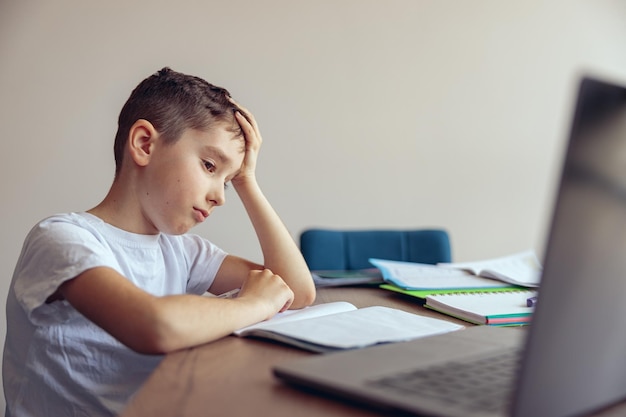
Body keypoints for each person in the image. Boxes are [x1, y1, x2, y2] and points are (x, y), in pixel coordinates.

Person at [2, 67, 316, 417]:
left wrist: (248, 181)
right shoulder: (62, 239)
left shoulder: (182, 251)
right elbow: (155, 327)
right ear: (144, 144)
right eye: (210, 166)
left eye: (228, 182)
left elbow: (296, 292)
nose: (220, 198)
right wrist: (254, 304)